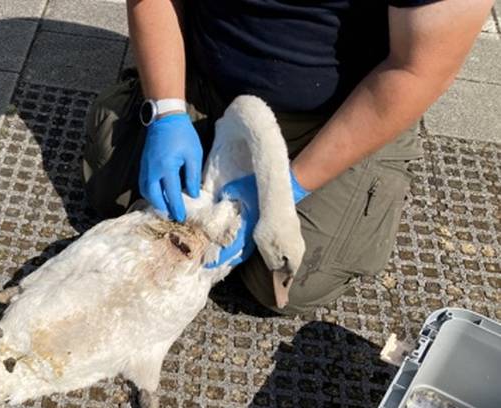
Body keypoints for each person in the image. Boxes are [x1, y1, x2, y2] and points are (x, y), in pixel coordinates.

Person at [83, 0, 493, 315]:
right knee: (111, 182)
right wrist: (166, 110)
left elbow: (421, 70)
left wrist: (284, 190)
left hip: (337, 115)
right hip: (206, 76)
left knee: (285, 284)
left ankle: (352, 171)